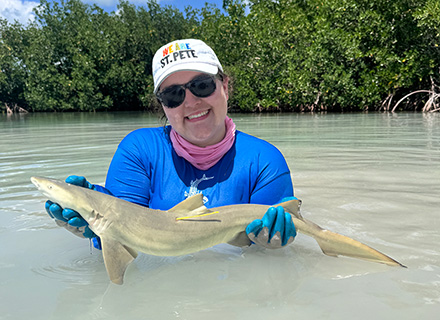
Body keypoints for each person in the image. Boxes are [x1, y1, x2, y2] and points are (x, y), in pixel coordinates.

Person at [45, 39, 297, 251]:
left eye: (201, 85)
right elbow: (125, 245)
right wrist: (95, 217)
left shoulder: (265, 161)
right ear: (163, 105)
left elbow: (267, 267)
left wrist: (272, 247)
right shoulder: (139, 150)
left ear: (225, 86)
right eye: (173, 95)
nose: (191, 102)